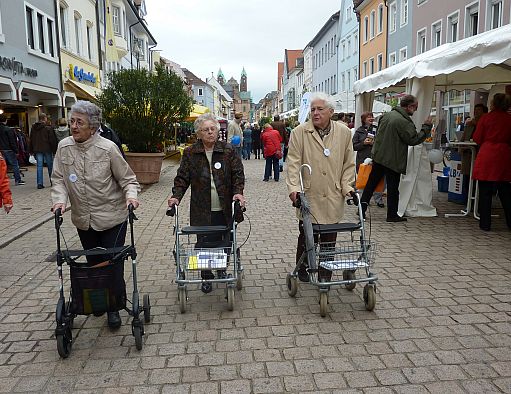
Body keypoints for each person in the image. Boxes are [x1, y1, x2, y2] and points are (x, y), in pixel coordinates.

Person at [51, 101, 140, 328]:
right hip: (83, 219)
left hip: (112, 218)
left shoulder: (108, 148)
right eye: (72, 121)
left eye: (79, 122)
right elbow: (59, 179)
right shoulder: (64, 147)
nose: (74, 126)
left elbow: (127, 179)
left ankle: (114, 307)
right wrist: (59, 202)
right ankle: (97, 302)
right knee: (93, 263)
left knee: (112, 264)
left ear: (93, 126)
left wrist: (131, 196)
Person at [168, 113, 246, 293]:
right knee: (203, 242)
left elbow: (238, 176)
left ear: (218, 131)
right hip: (202, 208)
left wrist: (238, 193)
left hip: (225, 206)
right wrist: (176, 197)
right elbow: (182, 178)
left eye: (213, 129)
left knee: (225, 240)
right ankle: (206, 275)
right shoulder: (190, 153)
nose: (210, 132)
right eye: (206, 130)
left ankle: (221, 270)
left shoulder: (227, 151)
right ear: (198, 134)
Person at [286, 92, 355, 282]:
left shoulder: (343, 132)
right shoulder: (299, 132)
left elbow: (349, 163)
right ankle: (303, 266)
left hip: (333, 193)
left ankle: (325, 274)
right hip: (309, 193)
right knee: (307, 234)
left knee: (329, 238)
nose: (315, 113)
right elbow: (292, 164)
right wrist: (294, 189)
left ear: (331, 112)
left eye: (320, 109)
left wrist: (346, 186)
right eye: (313, 109)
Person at [360, 94, 432, 222]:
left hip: (379, 156)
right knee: (393, 188)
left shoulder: (386, 116)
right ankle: (392, 215)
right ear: (409, 106)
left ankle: (361, 210)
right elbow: (413, 139)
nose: (415, 111)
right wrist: (426, 128)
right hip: (392, 158)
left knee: (371, 184)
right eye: (415, 108)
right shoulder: (403, 121)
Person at [472, 93, 511, 231]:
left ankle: (485, 224)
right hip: (504, 155)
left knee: (485, 192)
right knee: (505, 191)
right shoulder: (509, 119)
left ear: (493, 103)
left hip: (487, 154)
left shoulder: (486, 118)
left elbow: (477, 137)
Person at [353, 111, 384, 208]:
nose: (371, 118)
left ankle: (378, 199)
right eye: (368, 117)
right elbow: (354, 146)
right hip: (363, 160)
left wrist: (374, 143)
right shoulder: (359, 131)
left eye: (372, 117)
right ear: (363, 120)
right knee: (364, 179)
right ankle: (363, 200)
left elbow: (382, 142)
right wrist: (364, 143)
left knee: (379, 180)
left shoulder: (377, 129)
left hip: (376, 158)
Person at [29, 113, 58, 189]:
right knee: (50, 165)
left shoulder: (33, 128)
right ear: (45, 118)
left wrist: (31, 149)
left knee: (39, 166)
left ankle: (39, 183)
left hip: (37, 149)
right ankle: (53, 182)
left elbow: (31, 139)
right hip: (47, 148)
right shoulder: (48, 128)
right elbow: (52, 140)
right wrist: (54, 150)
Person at [460, 103, 488, 175]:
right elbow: (463, 138)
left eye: (479, 110)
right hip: (468, 154)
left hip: (479, 154)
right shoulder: (469, 125)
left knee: (478, 176)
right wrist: (461, 149)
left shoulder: (486, 125)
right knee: (467, 177)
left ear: (484, 112)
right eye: (475, 110)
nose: (476, 112)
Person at [0, 114, 24, 186]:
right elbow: (12, 141)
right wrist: (16, 150)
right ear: (6, 120)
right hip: (9, 149)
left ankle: (2, 181)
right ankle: (18, 180)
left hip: (1, 150)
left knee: (2, 166)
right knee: (15, 165)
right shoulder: (8, 129)